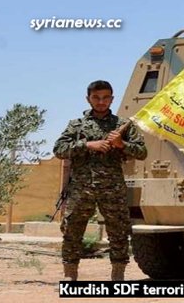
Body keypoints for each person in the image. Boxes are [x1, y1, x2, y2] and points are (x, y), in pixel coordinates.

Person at [53, 80, 147, 281]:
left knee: (118, 231)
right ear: (88, 99)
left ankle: (118, 275)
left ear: (112, 99)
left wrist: (122, 144)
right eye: (96, 98)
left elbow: (142, 152)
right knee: (72, 231)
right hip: (81, 188)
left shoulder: (122, 126)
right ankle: (70, 275)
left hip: (112, 188)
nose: (101, 102)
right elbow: (59, 150)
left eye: (105, 98)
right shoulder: (76, 126)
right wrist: (88, 145)